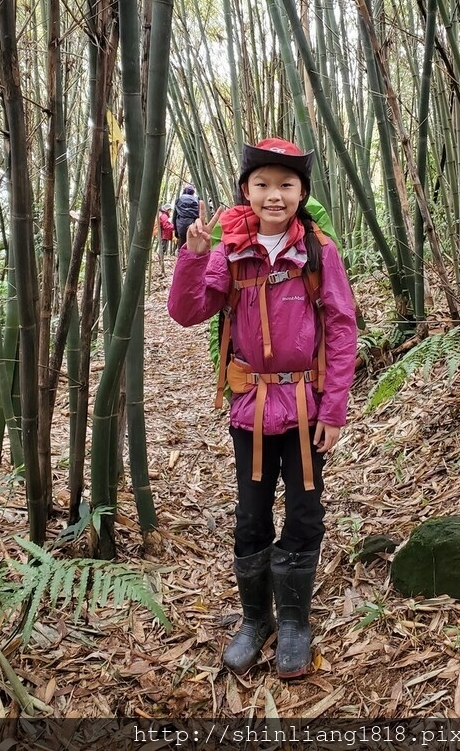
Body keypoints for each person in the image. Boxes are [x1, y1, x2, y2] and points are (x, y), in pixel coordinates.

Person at [168, 138, 357, 679]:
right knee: (250, 517)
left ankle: (295, 622)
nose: (274, 195)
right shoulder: (229, 250)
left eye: (286, 185)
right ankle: (256, 620)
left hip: (304, 408)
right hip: (249, 407)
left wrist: (334, 409)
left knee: (303, 513)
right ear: (246, 191)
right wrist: (194, 254)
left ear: (302, 192)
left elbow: (343, 328)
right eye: (263, 185)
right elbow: (187, 312)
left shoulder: (318, 252)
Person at [173, 183, 199, 249]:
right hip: (193, 224)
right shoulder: (197, 199)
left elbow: (174, 216)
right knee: (192, 246)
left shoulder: (179, 199)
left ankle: (181, 257)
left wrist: (175, 231)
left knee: (182, 244)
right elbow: (199, 214)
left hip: (181, 224)